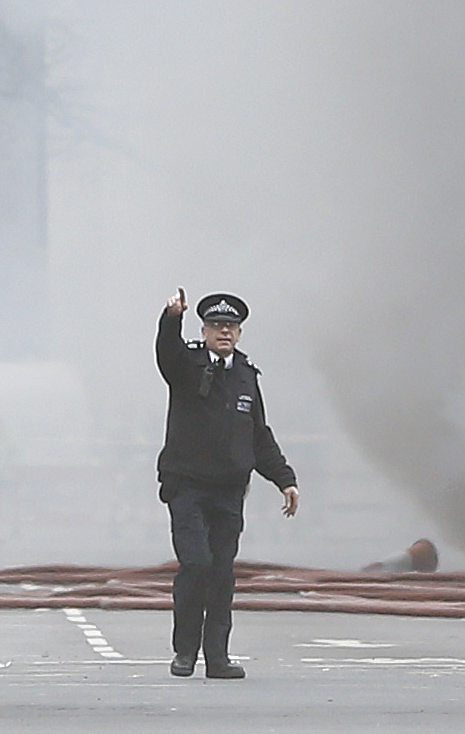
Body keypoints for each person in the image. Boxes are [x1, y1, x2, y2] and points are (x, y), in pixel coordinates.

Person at [156, 289, 300, 680]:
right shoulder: (186, 365)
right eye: (217, 326)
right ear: (204, 330)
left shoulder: (246, 377)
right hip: (187, 486)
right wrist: (171, 319)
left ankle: (216, 656)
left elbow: (259, 435)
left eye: (231, 327)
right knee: (196, 564)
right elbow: (166, 354)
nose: (224, 332)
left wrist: (285, 480)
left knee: (221, 571)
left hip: (228, 490)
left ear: (239, 334)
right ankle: (185, 650)